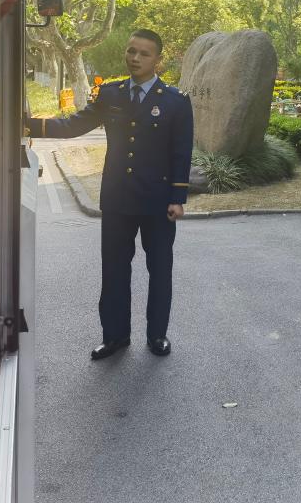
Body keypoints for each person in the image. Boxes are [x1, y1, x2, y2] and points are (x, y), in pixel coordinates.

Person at [26, 29, 193, 359]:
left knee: (160, 270)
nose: (135, 58)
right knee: (114, 269)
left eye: (144, 53)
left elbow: (181, 152)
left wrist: (178, 197)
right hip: (118, 198)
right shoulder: (111, 94)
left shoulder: (175, 101)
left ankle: (157, 335)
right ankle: (115, 336)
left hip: (158, 200)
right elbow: (74, 125)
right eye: (131, 51)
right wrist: (30, 125)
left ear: (157, 60)